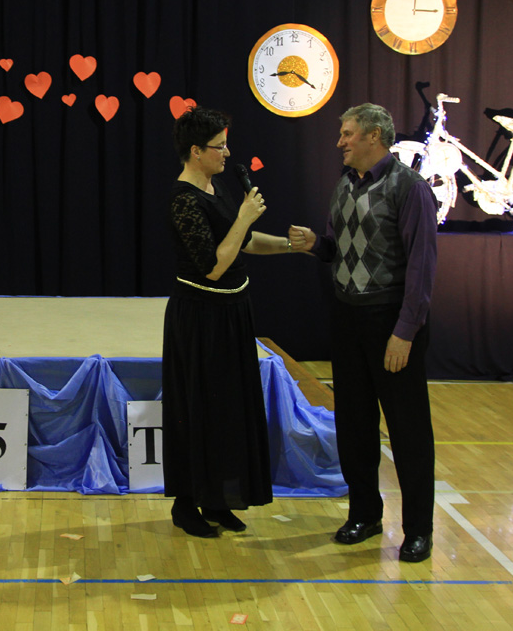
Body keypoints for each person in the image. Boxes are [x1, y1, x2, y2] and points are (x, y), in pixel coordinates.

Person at [288, 103, 438, 563]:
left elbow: (422, 268)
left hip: (391, 321)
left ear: (374, 136)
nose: (340, 142)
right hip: (348, 318)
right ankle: (365, 515)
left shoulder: (410, 188)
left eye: (348, 134)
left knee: (408, 431)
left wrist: (405, 332)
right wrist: (316, 245)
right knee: (354, 426)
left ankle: (418, 530)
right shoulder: (344, 185)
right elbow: (338, 250)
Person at [162, 106, 299, 538]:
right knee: (198, 409)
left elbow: (244, 243)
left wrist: (291, 246)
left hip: (232, 313)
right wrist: (243, 216)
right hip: (201, 318)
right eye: (219, 147)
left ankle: (218, 499)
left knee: (228, 411)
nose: (227, 153)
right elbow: (214, 266)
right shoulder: (183, 199)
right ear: (195, 151)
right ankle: (187, 505)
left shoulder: (215, 186)